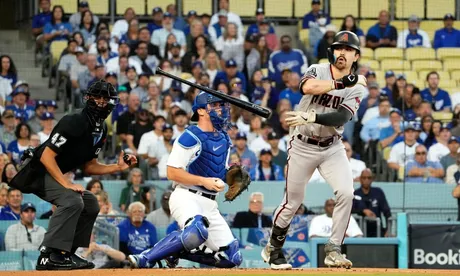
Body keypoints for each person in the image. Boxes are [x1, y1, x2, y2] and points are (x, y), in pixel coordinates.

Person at [262, 31, 367, 270]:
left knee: (347, 192)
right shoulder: (318, 69)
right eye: (339, 48)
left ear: (356, 55)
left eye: (348, 49)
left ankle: (333, 249)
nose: (342, 52)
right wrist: (341, 83)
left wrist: (313, 115)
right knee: (293, 201)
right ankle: (273, 249)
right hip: (302, 143)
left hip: (332, 146)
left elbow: (342, 115)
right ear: (332, 51)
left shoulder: (357, 87)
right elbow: (307, 87)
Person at [9, 80, 137, 270]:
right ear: (88, 98)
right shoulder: (75, 120)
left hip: (52, 172)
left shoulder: (100, 130)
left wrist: (117, 168)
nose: (101, 101)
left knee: (91, 203)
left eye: (106, 98)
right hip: (36, 171)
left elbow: (90, 166)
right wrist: (67, 184)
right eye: (97, 96)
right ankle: (48, 254)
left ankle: (66, 254)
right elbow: (46, 156)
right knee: (72, 199)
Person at [128, 92, 242, 269]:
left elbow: (217, 171)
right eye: (215, 105)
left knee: (232, 257)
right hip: (186, 196)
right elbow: (172, 172)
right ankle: (147, 257)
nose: (221, 110)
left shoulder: (224, 138)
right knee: (196, 231)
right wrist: (204, 181)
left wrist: (233, 176)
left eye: (222, 105)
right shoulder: (190, 136)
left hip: (211, 204)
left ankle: (176, 251)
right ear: (202, 111)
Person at [352, 169, 392, 237]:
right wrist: (363, 211)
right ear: (360, 179)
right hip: (360, 231)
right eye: (364, 178)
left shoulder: (378, 192)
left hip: (377, 230)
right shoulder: (355, 193)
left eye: (369, 178)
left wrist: (388, 230)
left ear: (372, 179)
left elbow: (387, 212)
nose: (366, 180)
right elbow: (350, 210)